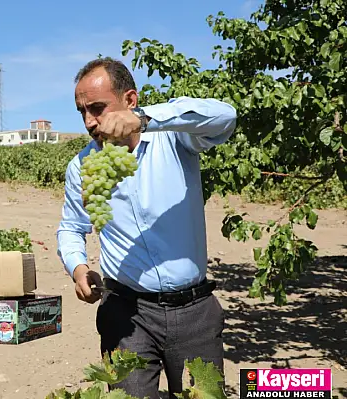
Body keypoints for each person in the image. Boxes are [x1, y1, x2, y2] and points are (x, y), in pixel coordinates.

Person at [56, 57, 237, 398]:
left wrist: (144, 121)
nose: (90, 122)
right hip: (125, 315)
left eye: (98, 108)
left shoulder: (175, 139)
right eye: (82, 111)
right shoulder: (82, 166)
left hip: (194, 311)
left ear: (130, 101)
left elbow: (225, 117)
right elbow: (71, 227)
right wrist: (78, 268)